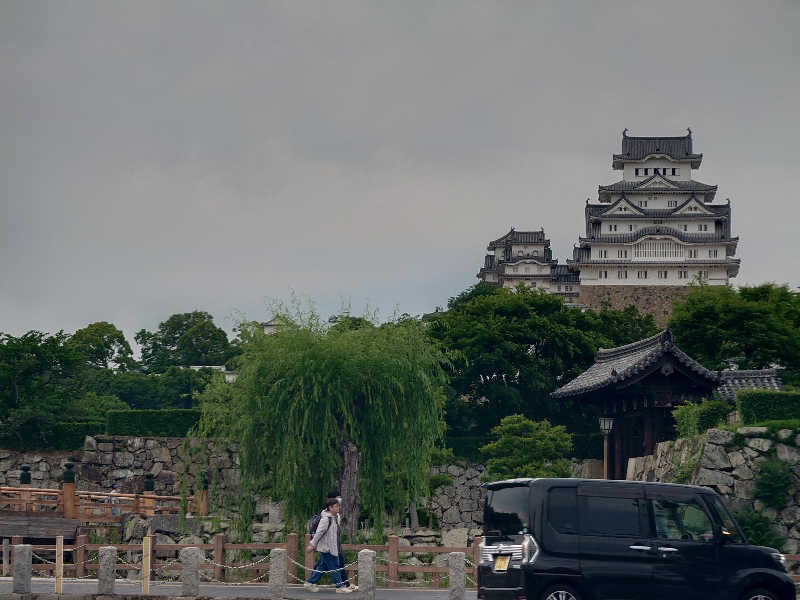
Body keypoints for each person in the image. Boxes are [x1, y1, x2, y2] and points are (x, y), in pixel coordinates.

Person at [304, 498, 353, 594]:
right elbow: (319, 533)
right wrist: (312, 545)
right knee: (335, 566)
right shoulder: (326, 519)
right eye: (336, 506)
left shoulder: (336, 517)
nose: (338, 507)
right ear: (330, 508)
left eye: (338, 505)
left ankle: (309, 583)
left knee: (322, 567)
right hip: (327, 548)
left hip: (334, 547)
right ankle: (339, 586)